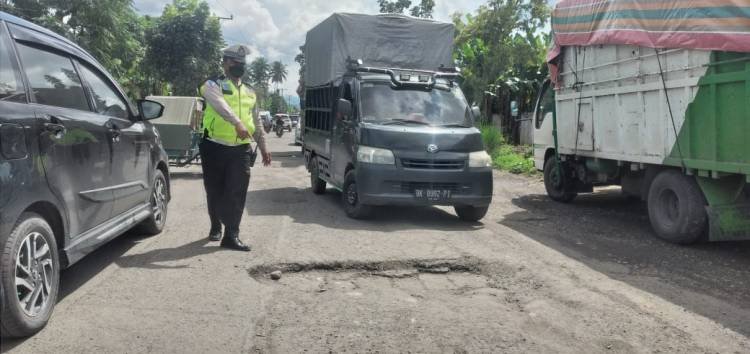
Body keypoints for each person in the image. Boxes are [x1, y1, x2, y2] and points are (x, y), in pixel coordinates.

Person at [199, 44, 271, 251]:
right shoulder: (212, 84)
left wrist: (264, 146)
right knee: (215, 190)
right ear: (225, 63)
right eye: (234, 62)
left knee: (237, 191)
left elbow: (256, 120)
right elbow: (220, 105)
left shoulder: (249, 91)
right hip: (213, 146)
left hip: (241, 149)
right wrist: (236, 123)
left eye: (242, 63)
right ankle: (215, 224)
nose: (239, 66)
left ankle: (232, 234)